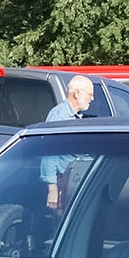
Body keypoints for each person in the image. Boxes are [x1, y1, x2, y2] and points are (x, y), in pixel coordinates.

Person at [41, 76, 94, 208]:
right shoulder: (59, 117)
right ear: (77, 93)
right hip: (61, 181)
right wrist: (52, 188)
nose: (92, 99)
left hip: (72, 179)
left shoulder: (75, 117)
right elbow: (49, 152)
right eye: (90, 94)